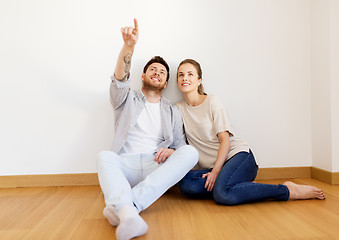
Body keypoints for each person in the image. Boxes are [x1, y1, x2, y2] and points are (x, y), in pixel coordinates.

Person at [97, 20, 198, 240]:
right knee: (104, 156)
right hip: (126, 164)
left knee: (191, 153)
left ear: (165, 82)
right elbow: (119, 80)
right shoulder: (125, 99)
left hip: (156, 165)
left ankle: (125, 208)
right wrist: (129, 47)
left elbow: (180, 147)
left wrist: (172, 152)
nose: (157, 73)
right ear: (142, 76)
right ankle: (130, 208)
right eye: (152, 69)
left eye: (162, 72)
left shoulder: (173, 111)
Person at [175, 59, 325, 205]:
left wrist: (215, 172)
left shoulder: (212, 101)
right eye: (181, 75)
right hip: (210, 166)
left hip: (238, 157)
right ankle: (235, 184)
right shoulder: (178, 109)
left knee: (222, 194)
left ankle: (287, 190)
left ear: (199, 80)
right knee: (187, 184)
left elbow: (225, 142)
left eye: (190, 74)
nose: (185, 78)